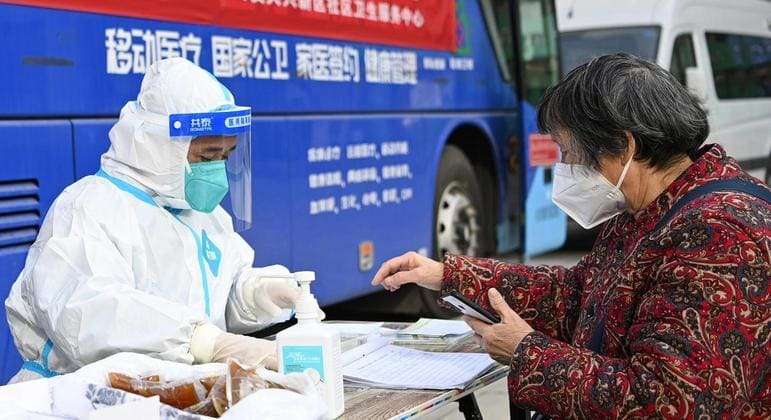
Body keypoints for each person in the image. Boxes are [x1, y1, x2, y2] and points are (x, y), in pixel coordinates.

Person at [373, 54, 770, 418]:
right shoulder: (649, 209)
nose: (565, 168)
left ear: (623, 144)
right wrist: (448, 276)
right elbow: (575, 296)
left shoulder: (722, 233)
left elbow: (669, 403)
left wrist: (526, 352)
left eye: (569, 151)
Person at [5, 57, 302, 383]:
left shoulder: (203, 216)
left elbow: (211, 302)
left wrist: (255, 294)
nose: (217, 169)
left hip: (166, 395)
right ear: (160, 146)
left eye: (225, 157)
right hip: (77, 399)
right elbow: (89, 317)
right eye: (206, 156)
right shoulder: (88, 208)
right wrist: (201, 341)